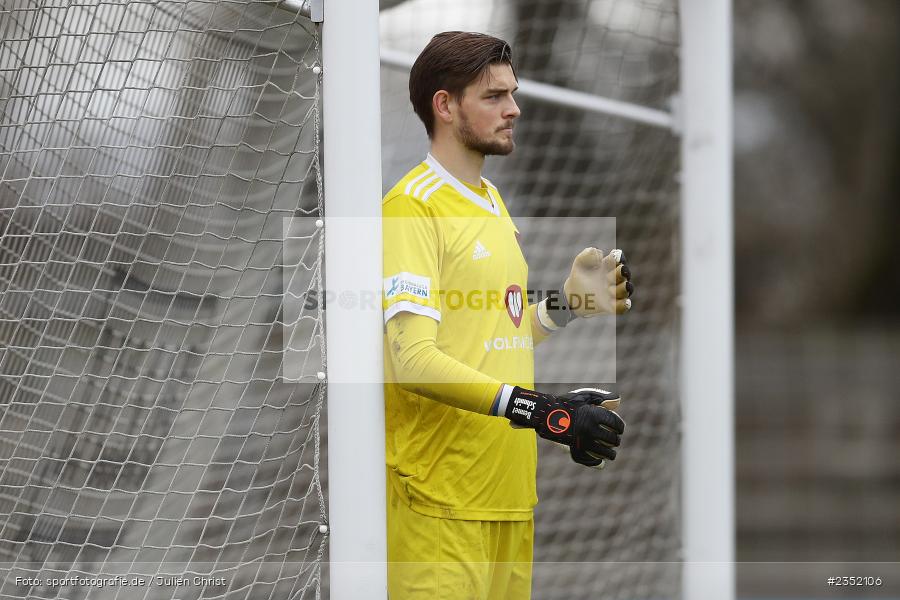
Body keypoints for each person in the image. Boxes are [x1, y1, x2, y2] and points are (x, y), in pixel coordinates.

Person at [382, 31, 633, 599]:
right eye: (494, 96)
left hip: (510, 498)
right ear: (445, 106)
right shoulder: (412, 206)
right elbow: (413, 360)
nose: (513, 108)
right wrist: (541, 410)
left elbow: (492, 338)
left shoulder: (493, 201)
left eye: (512, 93)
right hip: (440, 504)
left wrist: (565, 308)